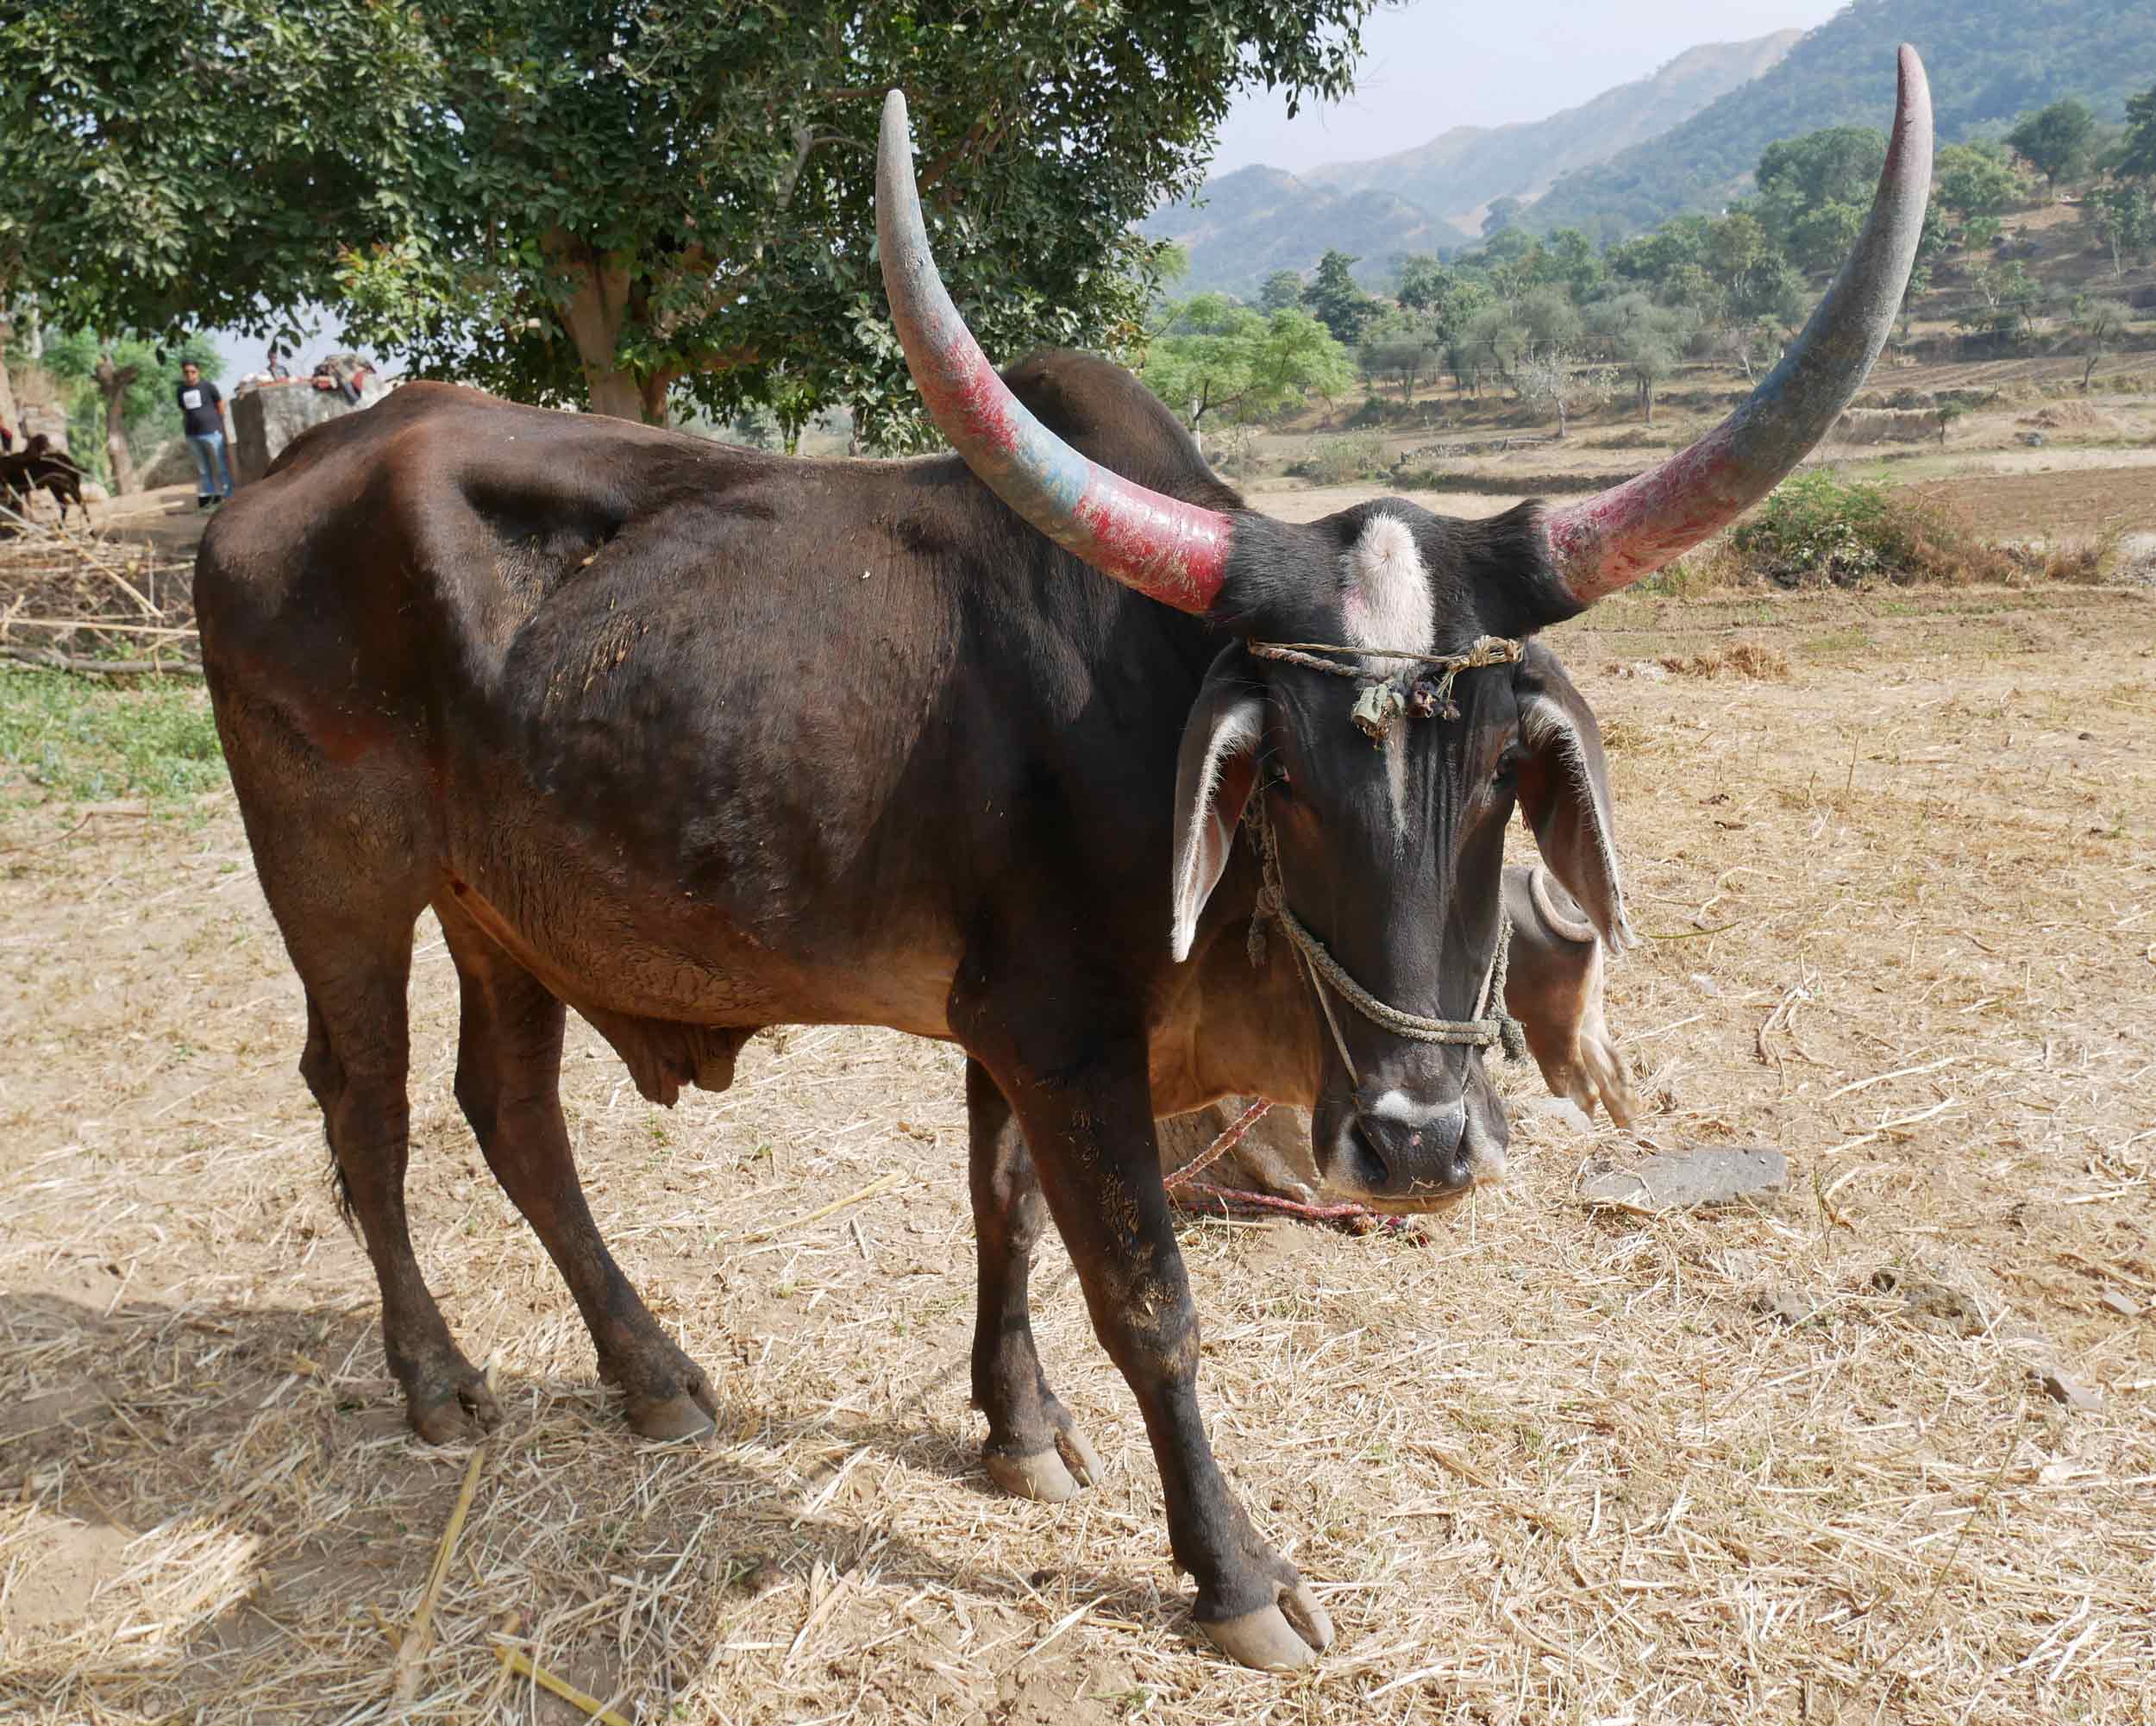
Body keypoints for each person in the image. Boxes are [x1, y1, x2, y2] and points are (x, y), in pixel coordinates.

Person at [176, 359, 234, 507]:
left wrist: (217, 422)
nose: (189, 375)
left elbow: (220, 404)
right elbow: (183, 410)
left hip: (212, 433)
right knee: (203, 469)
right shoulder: (181, 390)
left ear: (198, 372)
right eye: (186, 372)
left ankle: (228, 496)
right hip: (192, 434)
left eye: (192, 371)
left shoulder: (208, 387)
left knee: (220, 466)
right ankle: (209, 498)